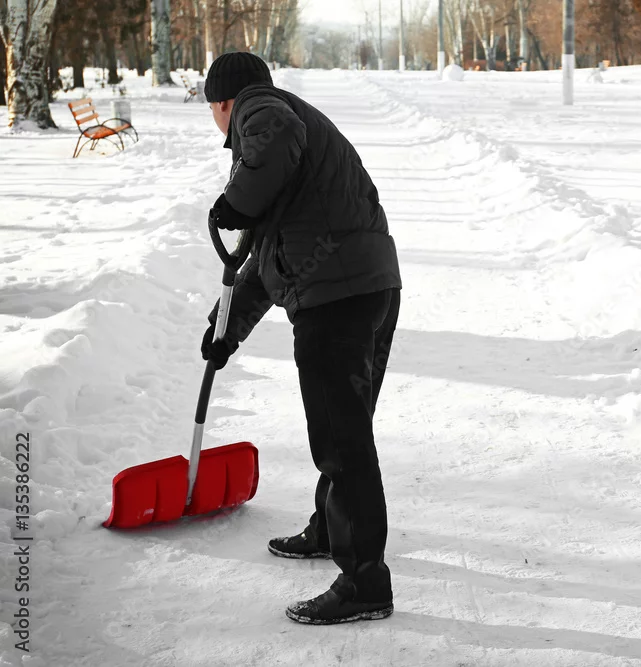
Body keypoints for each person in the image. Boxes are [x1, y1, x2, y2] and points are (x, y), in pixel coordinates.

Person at [200, 52, 402, 625]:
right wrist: (226, 330)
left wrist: (236, 201)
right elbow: (269, 260)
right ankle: (329, 530)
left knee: (342, 441)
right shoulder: (297, 156)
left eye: (212, 109)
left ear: (223, 101)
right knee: (345, 428)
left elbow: (276, 132)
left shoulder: (261, 109)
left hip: (336, 299)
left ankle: (364, 583)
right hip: (370, 286)